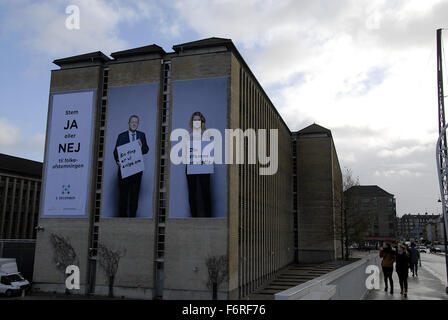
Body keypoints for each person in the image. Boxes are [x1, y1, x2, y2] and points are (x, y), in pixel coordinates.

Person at [113, 115, 149, 217]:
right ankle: (122, 219)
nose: (134, 124)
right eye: (132, 122)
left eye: (136, 122)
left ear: (138, 124)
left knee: (134, 195)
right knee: (123, 195)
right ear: (128, 123)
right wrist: (117, 161)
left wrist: (141, 147)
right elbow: (116, 151)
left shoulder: (141, 135)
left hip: (137, 171)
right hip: (124, 170)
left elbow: (146, 149)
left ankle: (132, 218)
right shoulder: (122, 136)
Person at [185, 111, 213, 218]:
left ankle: (209, 218)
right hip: (191, 165)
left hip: (204, 165)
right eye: (194, 120)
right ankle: (194, 218)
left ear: (202, 122)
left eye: (198, 120)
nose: (197, 121)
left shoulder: (207, 134)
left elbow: (210, 150)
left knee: (206, 192)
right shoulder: (188, 135)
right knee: (192, 193)